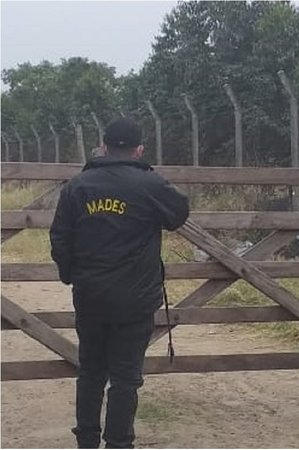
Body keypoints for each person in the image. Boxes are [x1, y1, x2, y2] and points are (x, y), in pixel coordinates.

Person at [50, 117, 189, 448]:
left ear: (103, 145)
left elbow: (60, 237)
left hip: (91, 295)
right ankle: (118, 443)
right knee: (126, 377)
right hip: (135, 298)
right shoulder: (149, 184)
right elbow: (179, 212)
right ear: (139, 149)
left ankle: (86, 440)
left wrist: (71, 275)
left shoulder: (78, 186)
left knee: (91, 371)